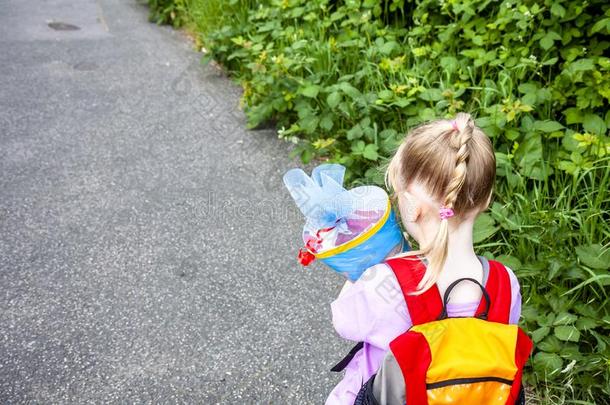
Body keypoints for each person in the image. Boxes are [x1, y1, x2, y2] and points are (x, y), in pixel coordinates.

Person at [325, 112, 522, 405]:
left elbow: (344, 320)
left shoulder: (386, 280)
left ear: (413, 207)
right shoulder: (506, 282)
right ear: (486, 199)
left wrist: (357, 273)